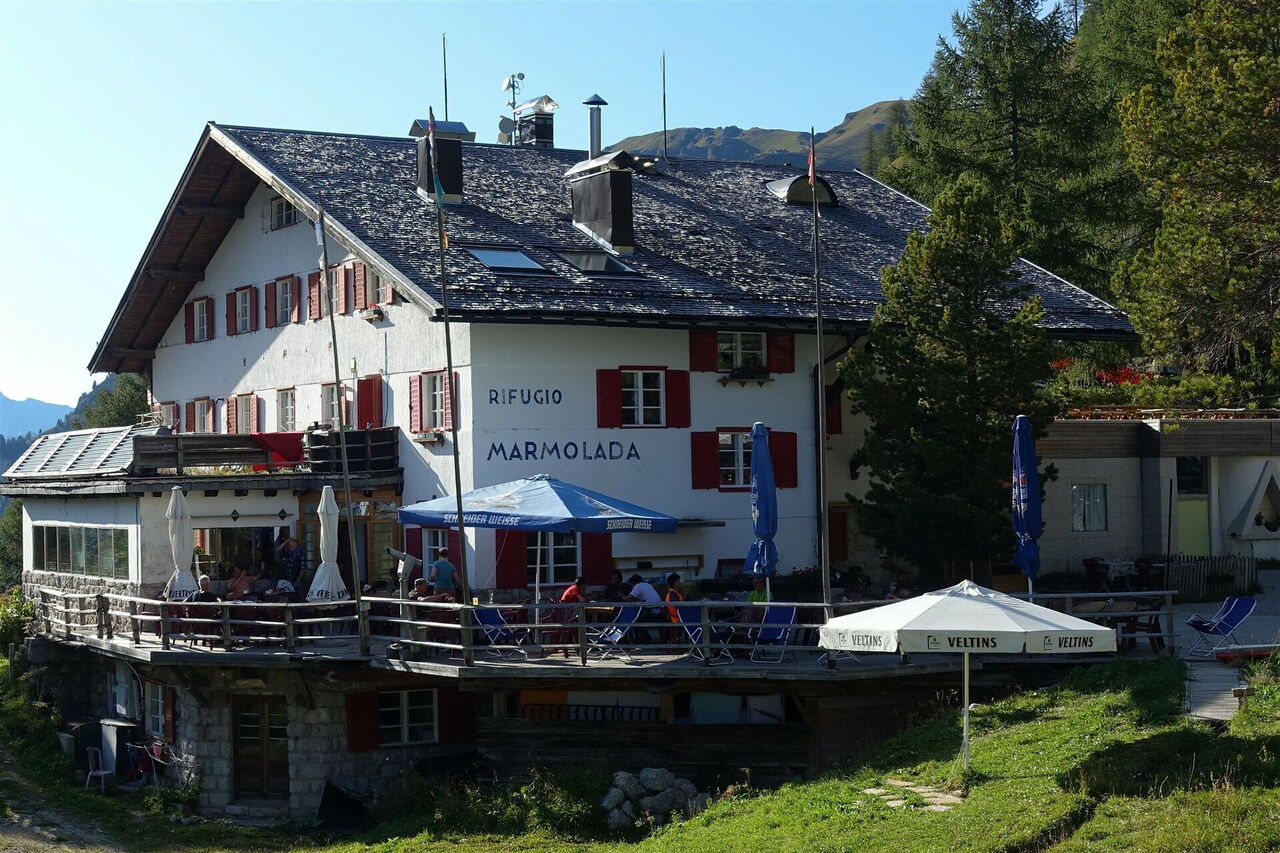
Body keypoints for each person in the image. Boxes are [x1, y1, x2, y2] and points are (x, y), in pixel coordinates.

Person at [663, 573, 686, 643]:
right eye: (678, 581)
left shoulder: (673, 593)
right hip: (677, 619)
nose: (680, 582)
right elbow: (679, 608)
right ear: (674, 583)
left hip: (676, 618)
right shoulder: (673, 594)